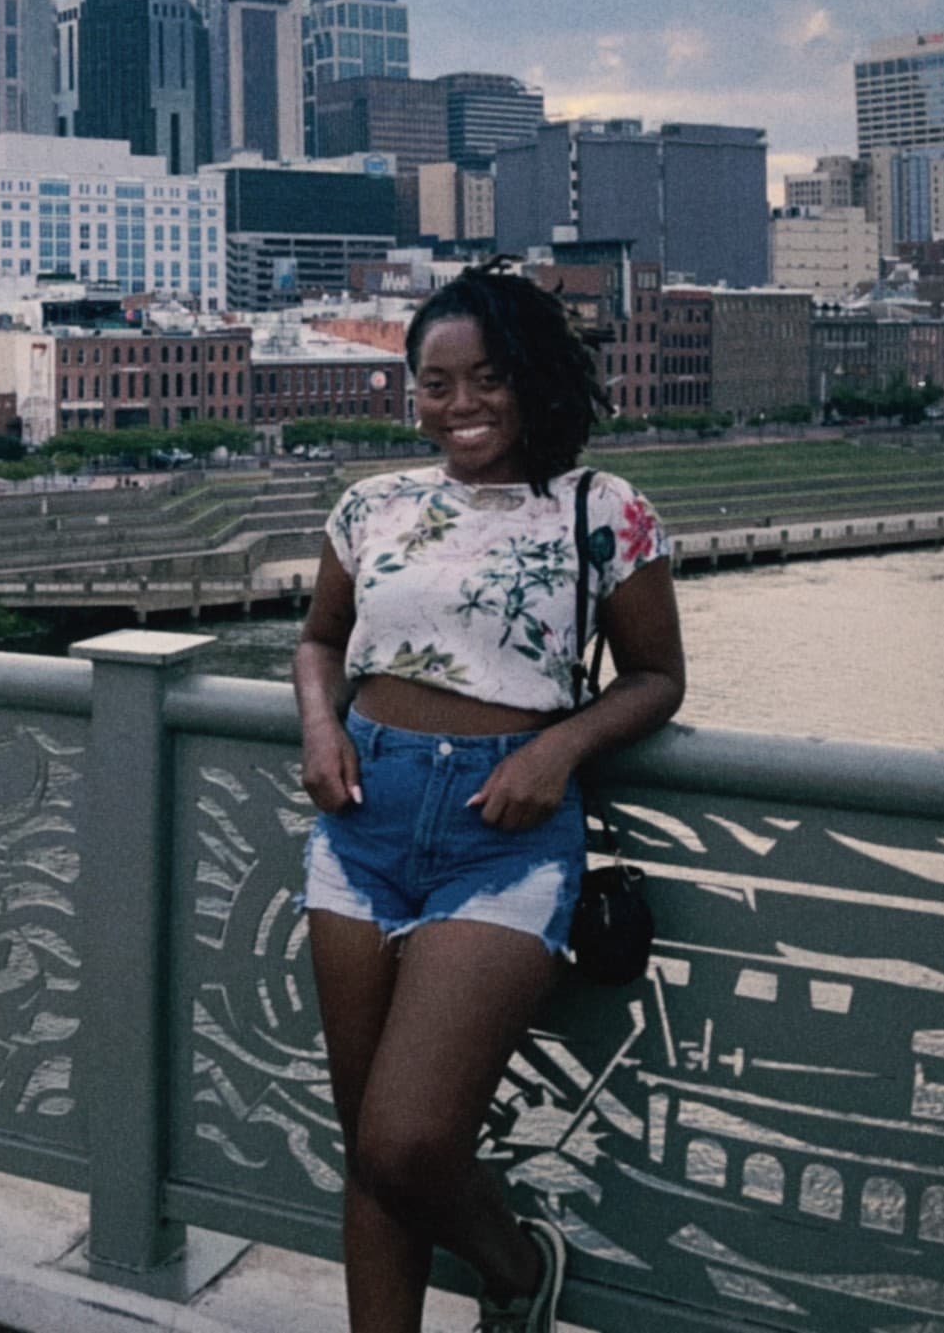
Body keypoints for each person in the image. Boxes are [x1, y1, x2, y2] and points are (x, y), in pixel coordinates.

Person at [294, 266, 685, 1333]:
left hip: (502, 835)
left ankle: (514, 1269)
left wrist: (558, 747)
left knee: (405, 1141)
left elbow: (655, 677)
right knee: (368, 1153)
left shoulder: (599, 508)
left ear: (531, 379)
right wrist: (320, 724)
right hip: (360, 820)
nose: (459, 404)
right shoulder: (370, 505)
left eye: (485, 379)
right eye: (434, 383)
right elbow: (321, 641)